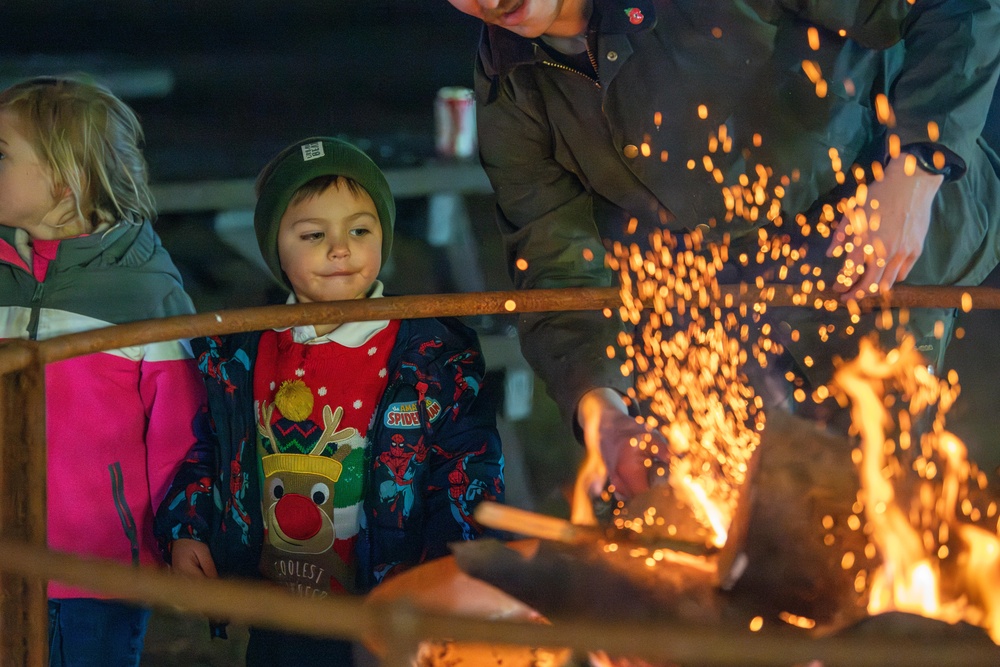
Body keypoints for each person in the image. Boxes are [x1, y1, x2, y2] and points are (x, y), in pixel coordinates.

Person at [445, 0, 1000, 499]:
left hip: (898, 249)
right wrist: (602, 410)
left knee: (893, 499)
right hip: (731, 305)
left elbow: (956, 7)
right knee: (745, 518)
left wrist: (917, 166)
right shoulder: (509, 81)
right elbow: (553, 262)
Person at [153, 136, 505, 666]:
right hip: (281, 610)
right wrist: (188, 529)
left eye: (360, 230)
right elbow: (210, 451)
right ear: (276, 249)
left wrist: (450, 571)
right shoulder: (242, 354)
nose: (340, 248)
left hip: (393, 608)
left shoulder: (432, 356)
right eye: (314, 234)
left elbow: (468, 468)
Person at [0, 76, 207, 666]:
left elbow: (182, 431)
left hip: (97, 569)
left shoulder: (145, 291)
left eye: (2, 155)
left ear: (66, 181)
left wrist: (185, 529)